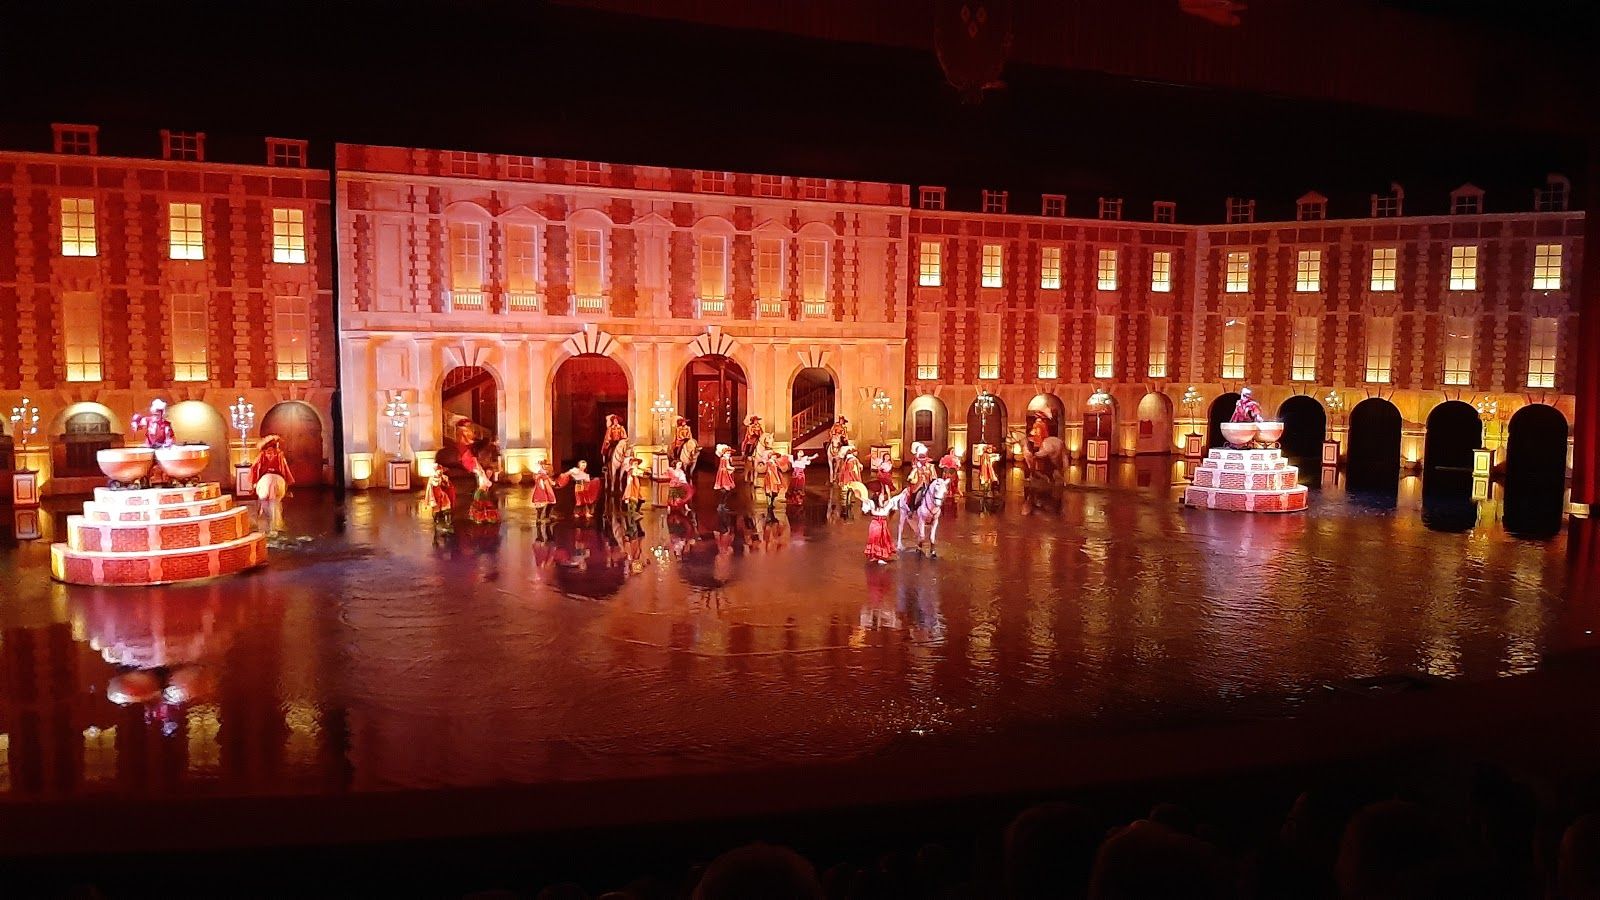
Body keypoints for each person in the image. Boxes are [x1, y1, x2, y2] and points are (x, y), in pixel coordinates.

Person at [250, 434, 295, 535]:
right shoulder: (280, 454)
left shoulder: (261, 454)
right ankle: (275, 526)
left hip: (264, 479)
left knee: (263, 502)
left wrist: (254, 482)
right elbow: (285, 469)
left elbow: (255, 468)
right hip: (278, 480)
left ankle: (263, 525)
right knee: (276, 502)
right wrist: (288, 481)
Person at [864, 484, 896, 565]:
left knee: (882, 540)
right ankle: (876, 556)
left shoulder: (885, 505)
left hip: (882, 524)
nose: (883, 497)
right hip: (876, 524)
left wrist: (887, 492)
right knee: (876, 540)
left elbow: (889, 501)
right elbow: (865, 510)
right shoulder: (872, 503)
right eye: (881, 496)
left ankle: (878, 556)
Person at [905, 442, 937, 509]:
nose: (923, 461)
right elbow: (911, 476)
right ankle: (912, 508)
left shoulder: (930, 466)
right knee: (915, 493)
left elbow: (934, 476)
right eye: (921, 459)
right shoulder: (916, 467)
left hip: (928, 484)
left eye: (924, 459)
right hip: (918, 484)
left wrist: (933, 481)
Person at [425, 467, 456, 531]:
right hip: (436, 496)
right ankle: (436, 521)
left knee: (447, 507)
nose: (440, 473)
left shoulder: (443, 477)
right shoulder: (432, 478)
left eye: (441, 471)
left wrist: (446, 482)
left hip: (443, 495)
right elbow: (434, 485)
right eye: (439, 471)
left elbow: (447, 486)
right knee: (436, 510)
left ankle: (448, 522)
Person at [713, 444, 736, 509]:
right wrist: (732, 468)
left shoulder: (725, 458)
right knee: (726, 490)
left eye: (729, 452)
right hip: (724, 475)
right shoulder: (724, 459)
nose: (729, 453)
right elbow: (727, 466)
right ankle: (722, 504)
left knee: (727, 490)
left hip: (725, 473)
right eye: (728, 452)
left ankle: (723, 504)